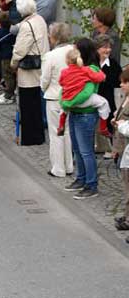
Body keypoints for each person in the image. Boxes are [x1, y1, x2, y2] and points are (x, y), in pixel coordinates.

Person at [63, 38, 102, 200]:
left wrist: (68, 101)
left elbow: (87, 91)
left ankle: (91, 184)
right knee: (78, 149)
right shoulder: (81, 68)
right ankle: (81, 178)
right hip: (76, 112)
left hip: (86, 113)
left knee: (86, 151)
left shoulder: (91, 69)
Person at [10, 0, 49, 147]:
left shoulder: (26, 26)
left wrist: (13, 63)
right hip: (41, 65)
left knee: (27, 105)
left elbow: (20, 50)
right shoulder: (40, 19)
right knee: (37, 105)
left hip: (28, 70)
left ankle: (30, 137)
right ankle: (38, 135)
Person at [40, 22, 74, 177]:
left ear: (54, 37)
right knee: (67, 132)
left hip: (54, 97)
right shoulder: (75, 51)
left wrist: (44, 88)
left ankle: (58, 168)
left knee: (55, 134)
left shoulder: (50, 56)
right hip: (72, 96)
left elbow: (44, 80)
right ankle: (69, 166)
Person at [57, 48, 110, 139]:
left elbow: (61, 82)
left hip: (68, 98)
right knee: (104, 103)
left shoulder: (64, 71)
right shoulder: (85, 70)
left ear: (67, 60)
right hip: (83, 100)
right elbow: (99, 78)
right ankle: (103, 127)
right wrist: (101, 73)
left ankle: (61, 125)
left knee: (63, 107)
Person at [112, 69, 129, 240]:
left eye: (124, 82)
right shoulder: (126, 98)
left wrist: (121, 125)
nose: (121, 85)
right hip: (122, 147)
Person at [94, 34, 122, 139]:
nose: (108, 50)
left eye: (109, 47)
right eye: (105, 47)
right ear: (97, 48)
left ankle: (108, 146)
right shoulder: (92, 63)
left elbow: (118, 83)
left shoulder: (114, 64)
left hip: (109, 100)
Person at [0, 11, 16, 105]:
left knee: (7, 77)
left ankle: (8, 95)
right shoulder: (13, 32)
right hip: (13, 55)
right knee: (11, 76)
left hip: (4, 57)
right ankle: (9, 92)